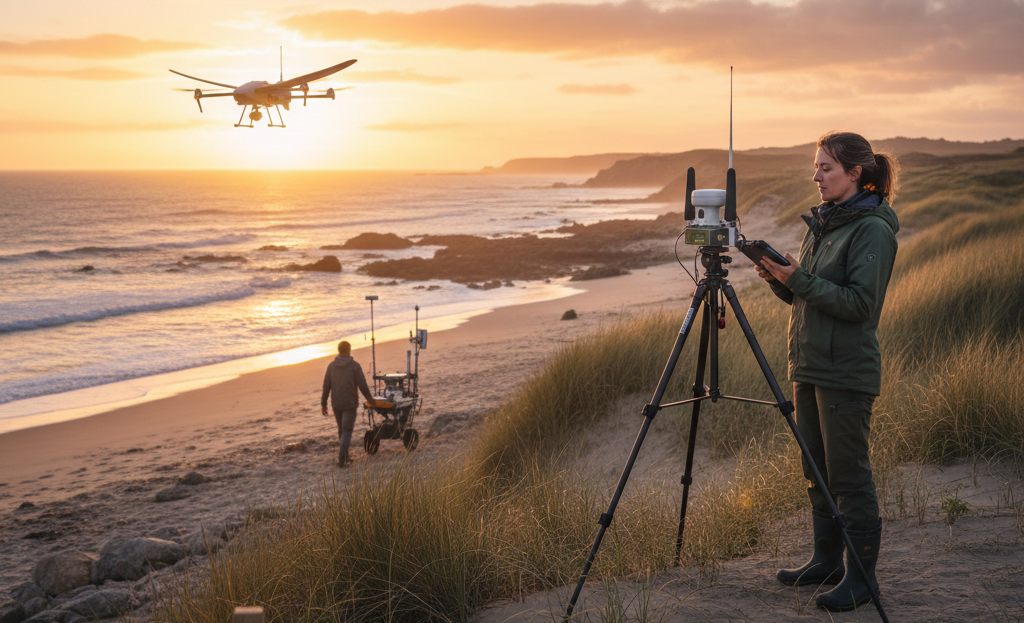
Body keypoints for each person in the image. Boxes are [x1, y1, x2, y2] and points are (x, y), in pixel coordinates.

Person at [756, 131, 899, 612]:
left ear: (856, 173)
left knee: (848, 475)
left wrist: (800, 278)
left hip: (846, 372)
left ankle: (862, 579)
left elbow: (861, 304)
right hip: (809, 365)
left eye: (825, 168)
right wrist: (783, 280)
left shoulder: (872, 229)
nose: (815, 176)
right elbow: (809, 296)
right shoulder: (825, 223)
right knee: (815, 468)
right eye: (815, 167)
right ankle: (826, 560)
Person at [321, 340, 376, 467]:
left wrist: (323, 404)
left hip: (336, 404)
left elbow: (326, 387)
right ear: (349, 350)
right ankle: (342, 460)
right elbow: (363, 385)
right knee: (346, 431)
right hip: (350, 404)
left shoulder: (331, 366)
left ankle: (345, 457)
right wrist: (370, 400)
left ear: (338, 351)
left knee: (341, 430)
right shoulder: (354, 366)